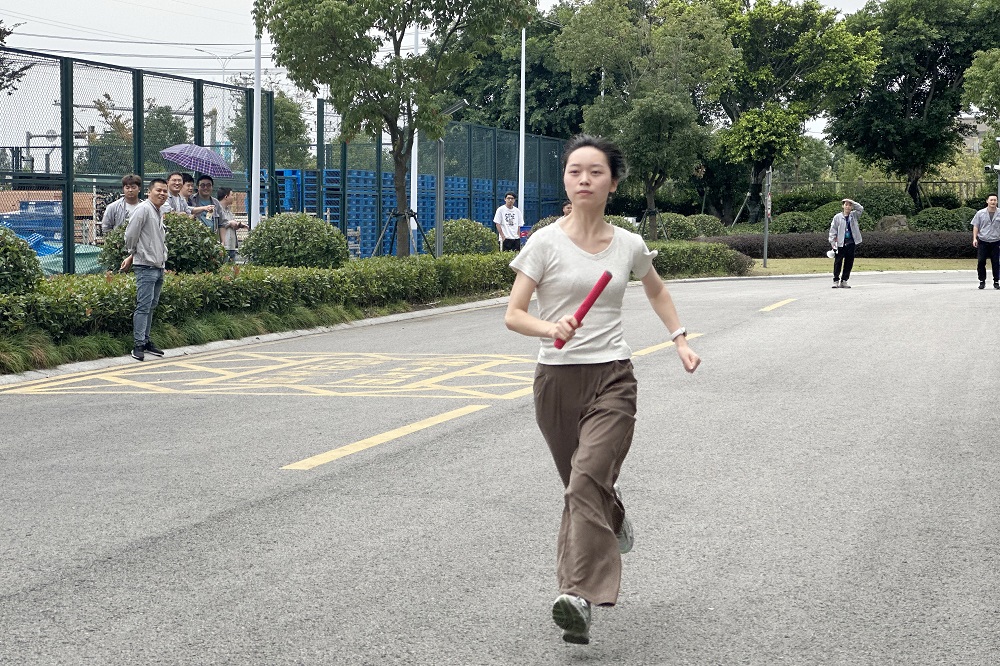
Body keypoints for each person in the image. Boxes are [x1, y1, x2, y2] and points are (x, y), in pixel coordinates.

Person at [504, 134, 700, 645]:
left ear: (613, 182)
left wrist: (679, 339)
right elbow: (514, 315)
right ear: (565, 180)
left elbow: (656, 289)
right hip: (555, 381)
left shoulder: (628, 244)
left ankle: (576, 596)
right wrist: (551, 327)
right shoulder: (544, 243)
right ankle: (612, 514)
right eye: (575, 171)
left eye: (595, 172)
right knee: (582, 485)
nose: (584, 179)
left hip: (612, 376)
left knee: (583, 482)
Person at [121, 178, 169, 362]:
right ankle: (138, 344)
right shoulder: (143, 209)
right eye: (159, 190)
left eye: (164, 191)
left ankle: (146, 340)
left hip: (158, 266)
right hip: (145, 266)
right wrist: (133, 253)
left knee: (151, 305)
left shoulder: (158, 211)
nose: (162, 194)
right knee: (143, 306)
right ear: (149, 191)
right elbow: (130, 234)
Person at [828, 197, 864, 289]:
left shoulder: (854, 215)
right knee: (838, 262)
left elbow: (860, 209)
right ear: (843, 206)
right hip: (840, 243)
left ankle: (844, 280)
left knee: (849, 262)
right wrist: (832, 241)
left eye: (849, 205)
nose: (847, 207)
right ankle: (836, 280)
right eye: (846, 205)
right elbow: (833, 229)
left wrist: (853, 202)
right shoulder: (837, 217)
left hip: (851, 242)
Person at [970, 194, 1000, 289]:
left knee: (996, 262)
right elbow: (976, 226)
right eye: (991, 200)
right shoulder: (980, 213)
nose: (993, 202)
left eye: (995, 200)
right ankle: (982, 281)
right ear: (987, 201)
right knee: (981, 261)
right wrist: (975, 238)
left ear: (997, 201)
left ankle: (996, 281)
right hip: (983, 241)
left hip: (996, 241)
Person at [215, 186, 245, 261]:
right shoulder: (216, 210)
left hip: (231, 246)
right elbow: (216, 225)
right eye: (231, 195)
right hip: (222, 246)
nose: (233, 197)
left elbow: (231, 225)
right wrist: (229, 223)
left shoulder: (229, 210)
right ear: (226, 197)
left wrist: (239, 225)